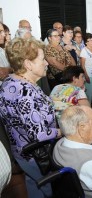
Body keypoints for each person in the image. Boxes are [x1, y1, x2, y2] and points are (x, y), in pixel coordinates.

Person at [0, 38, 60, 197]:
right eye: (42, 59)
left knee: (34, 183)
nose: (47, 63)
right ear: (28, 64)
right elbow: (39, 134)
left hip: (20, 151)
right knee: (45, 188)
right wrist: (60, 132)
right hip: (36, 155)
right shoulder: (25, 92)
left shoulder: (9, 81)